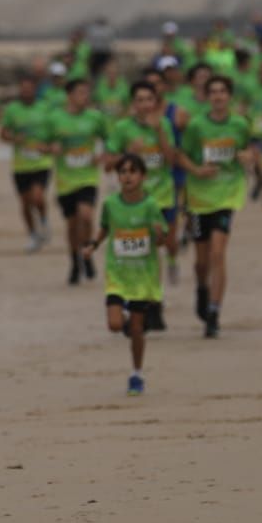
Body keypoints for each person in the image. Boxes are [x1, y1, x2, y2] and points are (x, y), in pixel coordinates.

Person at [177, 75, 257, 338]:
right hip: (199, 199)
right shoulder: (197, 126)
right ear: (207, 96)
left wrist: (248, 157)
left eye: (223, 91)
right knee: (201, 262)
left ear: (229, 96)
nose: (218, 96)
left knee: (218, 254)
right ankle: (201, 288)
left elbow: (248, 151)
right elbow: (181, 155)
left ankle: (213, 312)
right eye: (213, 92)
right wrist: (196, 170)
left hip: (227, 195)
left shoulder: (240, 123)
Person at [84, 153, 167, 395]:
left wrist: (159, 232)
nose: (127, 176)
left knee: (137, 331)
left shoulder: (151, 206)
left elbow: (160, 241)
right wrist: (93, 244)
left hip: (143, 276)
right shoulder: (111, 204)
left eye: (132, 171)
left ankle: (136, 374)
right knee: (114, 324)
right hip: (118, 274)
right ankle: (130, 323)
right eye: (123, 172)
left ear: (143, 176)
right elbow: (105, 228)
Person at [106, 79, 180, 298]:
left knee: (169, 243)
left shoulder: (164, 124)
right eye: (140, 100)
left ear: (156, 102)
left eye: (149, 99)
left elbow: (171, 160)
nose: (145, 104)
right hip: (136, 201)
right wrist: (128, 152)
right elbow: (108, 165)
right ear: (133, 104)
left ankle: (173, 261)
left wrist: (161, 134)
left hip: (164, 196)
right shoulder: (122, 128)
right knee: (147, 251)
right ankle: (152, 299)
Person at [49, 78, 108, 286]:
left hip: (87, 177)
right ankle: (75, 261)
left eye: (87, 92)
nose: (85, 97)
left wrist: (102, 156)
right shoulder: (55, 118)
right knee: (72, 224)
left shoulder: (95, 117)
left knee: (87, 215)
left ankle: (87, 252)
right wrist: (51, 148)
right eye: (81, 93)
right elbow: (44, 142)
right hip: (65, 180)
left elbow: (109, 139)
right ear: (70, 95)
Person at [0, 75, 54, 252]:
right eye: (23, 88)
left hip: (41, 162)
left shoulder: (45, 108)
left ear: (35, 90)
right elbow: (3, 134)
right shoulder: (12, 109)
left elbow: (54, 132)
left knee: (37, 197)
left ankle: (44, 221)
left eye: (30, 88)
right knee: (25, 203)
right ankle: (32, 234)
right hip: (21, 165)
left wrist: (48, 146)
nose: (26, 91)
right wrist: (14, 138)